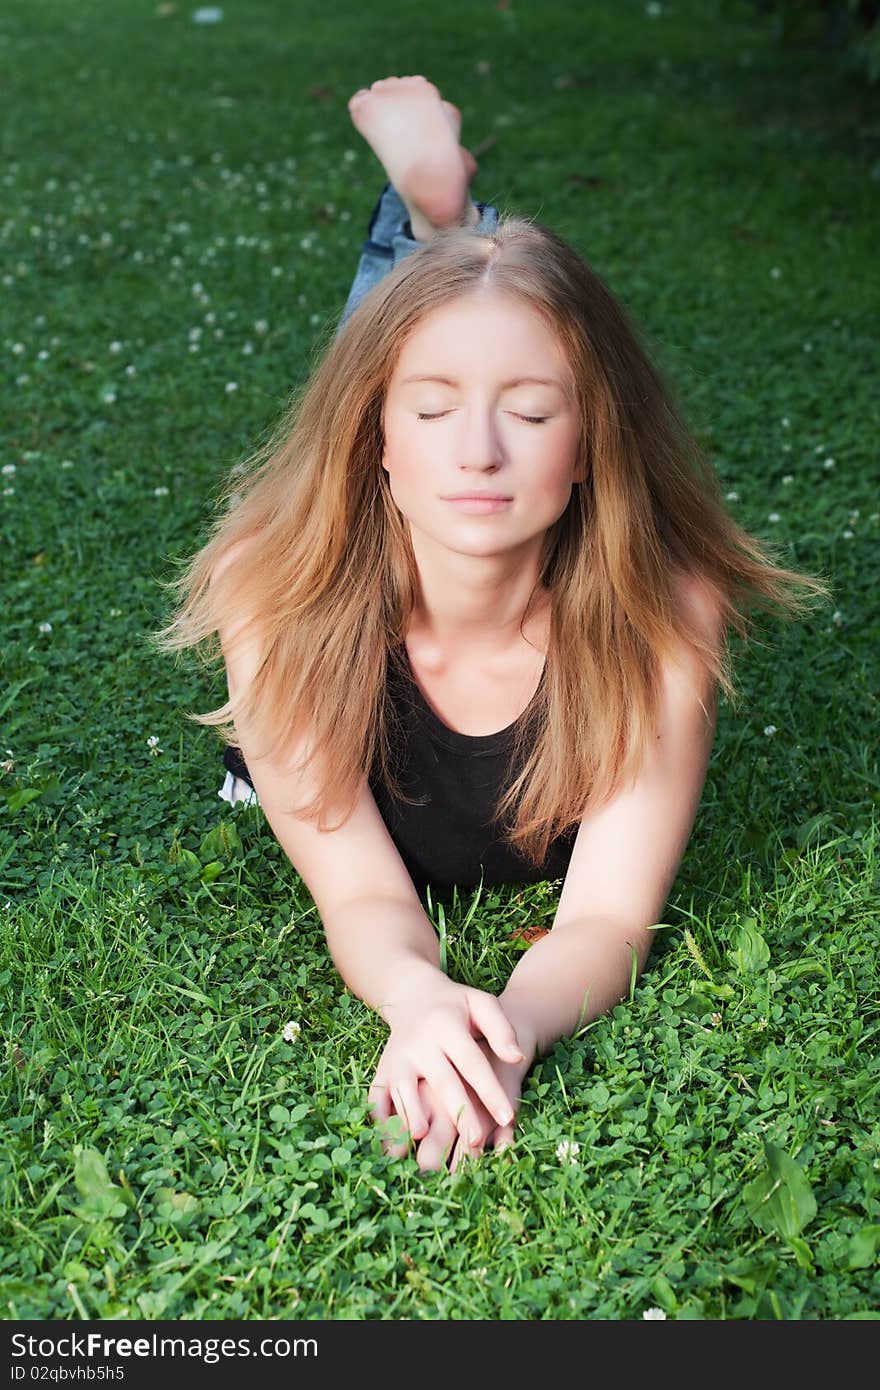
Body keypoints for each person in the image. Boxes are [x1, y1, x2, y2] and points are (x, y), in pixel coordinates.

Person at [157, 76, 829, 1173]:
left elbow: (605, 923)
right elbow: (365, 890)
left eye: (529, 412)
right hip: (335, 602)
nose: (478, 450)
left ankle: (442, 239)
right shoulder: (271, 595)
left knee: (448, 327)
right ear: (382, 441)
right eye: (428, 414)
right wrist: (418, 999)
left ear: (591, 441)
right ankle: (429, 234)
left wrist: (505, 1032)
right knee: (390, 348)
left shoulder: (666, 619)